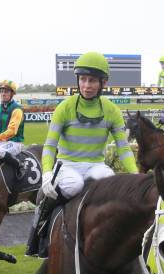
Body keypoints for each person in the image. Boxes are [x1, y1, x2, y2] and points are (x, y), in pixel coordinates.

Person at [26, 52, 138, 258]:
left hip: (96, 164)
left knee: (110, 183)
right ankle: (40, 229)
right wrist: (48, 174)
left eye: (92, 80)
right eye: (83, 79)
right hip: (67, 165)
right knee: (74, 184)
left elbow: (123, 148)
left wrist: (136, 174)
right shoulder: (65, 107)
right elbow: (50, 146)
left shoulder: (112, 111)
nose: (87, 85)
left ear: (103, 82)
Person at [0, 80, 26, 179]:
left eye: (6, 91)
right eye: (2, 91)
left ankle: (20, 165)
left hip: (15, 142)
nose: (3, 94)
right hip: (1, 142)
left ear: (12, 94)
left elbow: (12, 131)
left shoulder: (17, 109)